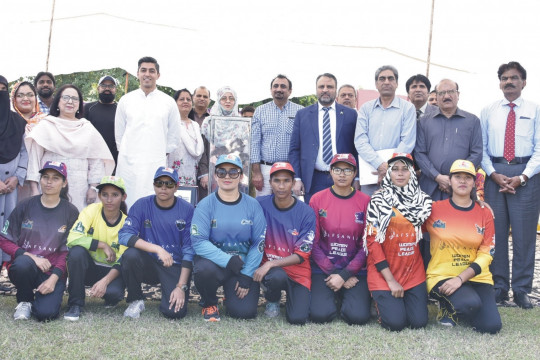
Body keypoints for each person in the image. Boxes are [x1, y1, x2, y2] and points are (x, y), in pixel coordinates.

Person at [480, 61, 540, 309]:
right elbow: (480, 148)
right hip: (495, 174)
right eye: (505, 78)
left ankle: (522, 289)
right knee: (497, 235)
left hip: (526, 176)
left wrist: (523, 176)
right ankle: (499, 286)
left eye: (514, 78)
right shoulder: (488, 111)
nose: (509, 82)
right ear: (499, 83)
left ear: (524, 82)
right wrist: (493, 174)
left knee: (525, 236)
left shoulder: (535, 110)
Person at [425, 159, 502, 334]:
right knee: (469, 304)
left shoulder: (484, 212)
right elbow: (407, 222)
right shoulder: (433, 209)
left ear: (474, 183)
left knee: (491, 327)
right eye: (457, 177)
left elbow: (487, 252)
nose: (462, 181)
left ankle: (464, 303)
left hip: (475, 277)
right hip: (442, 275)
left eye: (467, 178)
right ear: (449, 181)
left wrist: (460, 279)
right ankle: (448, 306)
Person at [191, 154, 266, 321]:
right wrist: (228, 260)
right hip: (216, 265)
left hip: (243, 266)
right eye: (222, 172)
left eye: (233, 172)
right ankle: (209, 303)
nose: (227, 176)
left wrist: (247, 274)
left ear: (240, 176)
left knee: (243, 313)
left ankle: (230, 296)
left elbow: (258, 243)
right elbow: (199, 241)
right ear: (215, 175)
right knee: (203, 270)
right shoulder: (205, 205)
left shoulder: (253, 205)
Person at [0, 161, 78, 321]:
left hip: (53, 271)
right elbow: (4, 239)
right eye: (45, 177)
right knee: (23, 263)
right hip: (25, 268)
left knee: (46, 314)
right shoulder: (25, 205)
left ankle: (43, 299)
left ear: (64, 183)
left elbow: (68, 251)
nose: (49, 182)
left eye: (55, 178)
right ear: (40, 179)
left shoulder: (70, 211)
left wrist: (54, 278)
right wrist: (30, 256)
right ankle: (24, 300)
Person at [364, 153, 432, 331]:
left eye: (405, 169)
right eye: (395, 169)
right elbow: (372, 243)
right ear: (389, 174)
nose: (400, 174)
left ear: (412, 173)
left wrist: (477, 203)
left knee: (418, 323)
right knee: (395, 324)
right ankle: (378, 299)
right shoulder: (378, 201)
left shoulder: (423, 201)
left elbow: (444, 215)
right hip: (384, 272)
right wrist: (391, 280)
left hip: (412, 271)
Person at [118, 167, 194, 319]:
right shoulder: (141, 205)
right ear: (154, 185)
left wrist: (180, 286)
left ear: (177, 187)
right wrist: (157, 249)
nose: (163, 187)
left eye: (169, 184)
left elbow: (189, 250)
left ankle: (172, 293)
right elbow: (124, 235)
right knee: (130, 255)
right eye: (159, 183)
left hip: (174, 265)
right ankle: (136, 300)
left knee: (174, 313)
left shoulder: (187, 209)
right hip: (149, 263)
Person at [24, 84, 114, 211]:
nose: (70, 101)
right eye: (66, 97)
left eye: (75, 98)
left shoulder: (87, 128)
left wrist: (93, 188)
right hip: (48, 185)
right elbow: (34, 159)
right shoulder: (45, 126)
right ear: (58, 101)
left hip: (79, 188)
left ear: (79, 104)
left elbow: (96, 161)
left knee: (76, 223)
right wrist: (34, 189)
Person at [309, 153, 371, 325]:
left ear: (354, 173)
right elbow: (312, 242)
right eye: (337, 169)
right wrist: (336, 273)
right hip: (324, 269)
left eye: (347, 170)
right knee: (319, 316)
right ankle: (333, 297)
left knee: (357, 318)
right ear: (330, 172)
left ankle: (345, 297)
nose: (342, 174)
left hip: (355, 271)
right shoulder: (317, 199)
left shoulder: (365, 201)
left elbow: (366, 245)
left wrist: (346, 274)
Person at [254, 162, 315, 324]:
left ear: (293, 183)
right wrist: (267, 265)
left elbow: (302, 254)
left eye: (286, 181)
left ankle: (292, 299)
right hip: (273, 273)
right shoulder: (259, 204)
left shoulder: (306, 212)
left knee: (298, 319)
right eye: (277, 181)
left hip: (298, 272)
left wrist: (270, 264)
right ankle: (272, 299)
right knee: (276, 276)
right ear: (270, 183)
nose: (281, 186)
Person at [115, 56, 180, 208]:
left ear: (158, 75)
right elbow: (119, 134)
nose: (147, 74)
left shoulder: (168, 102)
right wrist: (126, 153)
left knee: (151, 201)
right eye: (143, 70)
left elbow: (174, 136)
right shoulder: (126, 100)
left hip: (155, 160)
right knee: (126, 200)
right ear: (137, 73)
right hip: (128, 162)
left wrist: (159, 153)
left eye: (152, 71)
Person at [64, 176, 128, 321]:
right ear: (99, 196)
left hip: (111, 272)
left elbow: (123, 260)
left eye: (115, 195)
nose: (109, 200)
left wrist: (104, 282)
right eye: (104, 194)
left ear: (123, 197)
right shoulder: (91, 210)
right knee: (76, 252)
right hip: (89, 267)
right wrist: (102, 244)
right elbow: (72, 239)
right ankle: (75, 304)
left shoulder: (126, 223)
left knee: (114, 294)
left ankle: (110, 296)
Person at [289, 73, 359, 203]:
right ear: (316, 89)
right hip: (313, 179)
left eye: (330, 87)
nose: (325, 90)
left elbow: (356, 148)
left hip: (344, 177)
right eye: (321, 86)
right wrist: (297, 178)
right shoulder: (302, 115)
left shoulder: (350, 115)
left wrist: (356, 178)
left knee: (341, 216)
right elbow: (294, 149)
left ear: (336, 90)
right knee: (315, 218)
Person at [415, 79, 483, 201]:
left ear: (458, 94)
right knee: (429, 220)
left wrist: (455, 178)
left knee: (460, 220)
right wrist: (437, 177)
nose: (446, 96)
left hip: (461, 188)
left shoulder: (472, 121)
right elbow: (420, 153)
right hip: (430, 187)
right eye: (441, 93)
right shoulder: (424, 122)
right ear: (436, 96)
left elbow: (477, 153)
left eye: (451, 91)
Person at [355, 65, 416, 196]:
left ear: (397, 83)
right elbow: (360, 141)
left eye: (390, 78)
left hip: (398, 176)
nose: (386, 82)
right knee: (370, 212)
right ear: (376, 84)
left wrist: (389, 169)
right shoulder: (366, 108)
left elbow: (407, 142)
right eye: (382, 79)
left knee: (397, 214)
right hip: (370, 174)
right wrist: (379, 165)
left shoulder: (408, 108)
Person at [251, 75, 304, 196]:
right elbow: (254, 143)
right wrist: (256, 172)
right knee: (263, 207)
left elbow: (303, 144)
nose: (279, 89)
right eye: (275, 86)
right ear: (271, 90)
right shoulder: (260, 111)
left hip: (291, 169)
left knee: (290, 207)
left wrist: (299, 175)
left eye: (283, 86)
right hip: (266, 169)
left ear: (290, 91)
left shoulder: (300, 111)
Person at [0, 80, 28, 275]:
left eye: (3, 90)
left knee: (7, 229)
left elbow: (24, 152)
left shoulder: (17, 122)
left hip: (10, 188)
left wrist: (18, 177)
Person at [167, 89, 204, 188]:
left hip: (191, 175)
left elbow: (199, 152)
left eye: (188, 99)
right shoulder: (169, 124)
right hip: (171, 175)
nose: (185, 101)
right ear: (175, 103)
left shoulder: (195, 125)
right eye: (181, 99)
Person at [84, 75, 119, 168]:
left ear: (115, 89)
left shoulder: (120, 109)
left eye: (111, 86)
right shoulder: (88, 108)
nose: (107, 88)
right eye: (103, 85)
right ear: (98, 88)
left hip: (115, 160)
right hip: (93, 159)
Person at [188, 86, 211, 202]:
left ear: (210, 100)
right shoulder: (184, 116)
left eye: (205, 96)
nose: (202, 98)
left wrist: (204, 172)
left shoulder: (212, 121)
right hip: (186, 166)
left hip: (206, 168)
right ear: (193, 98)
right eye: (199, 95)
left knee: (203, 200)